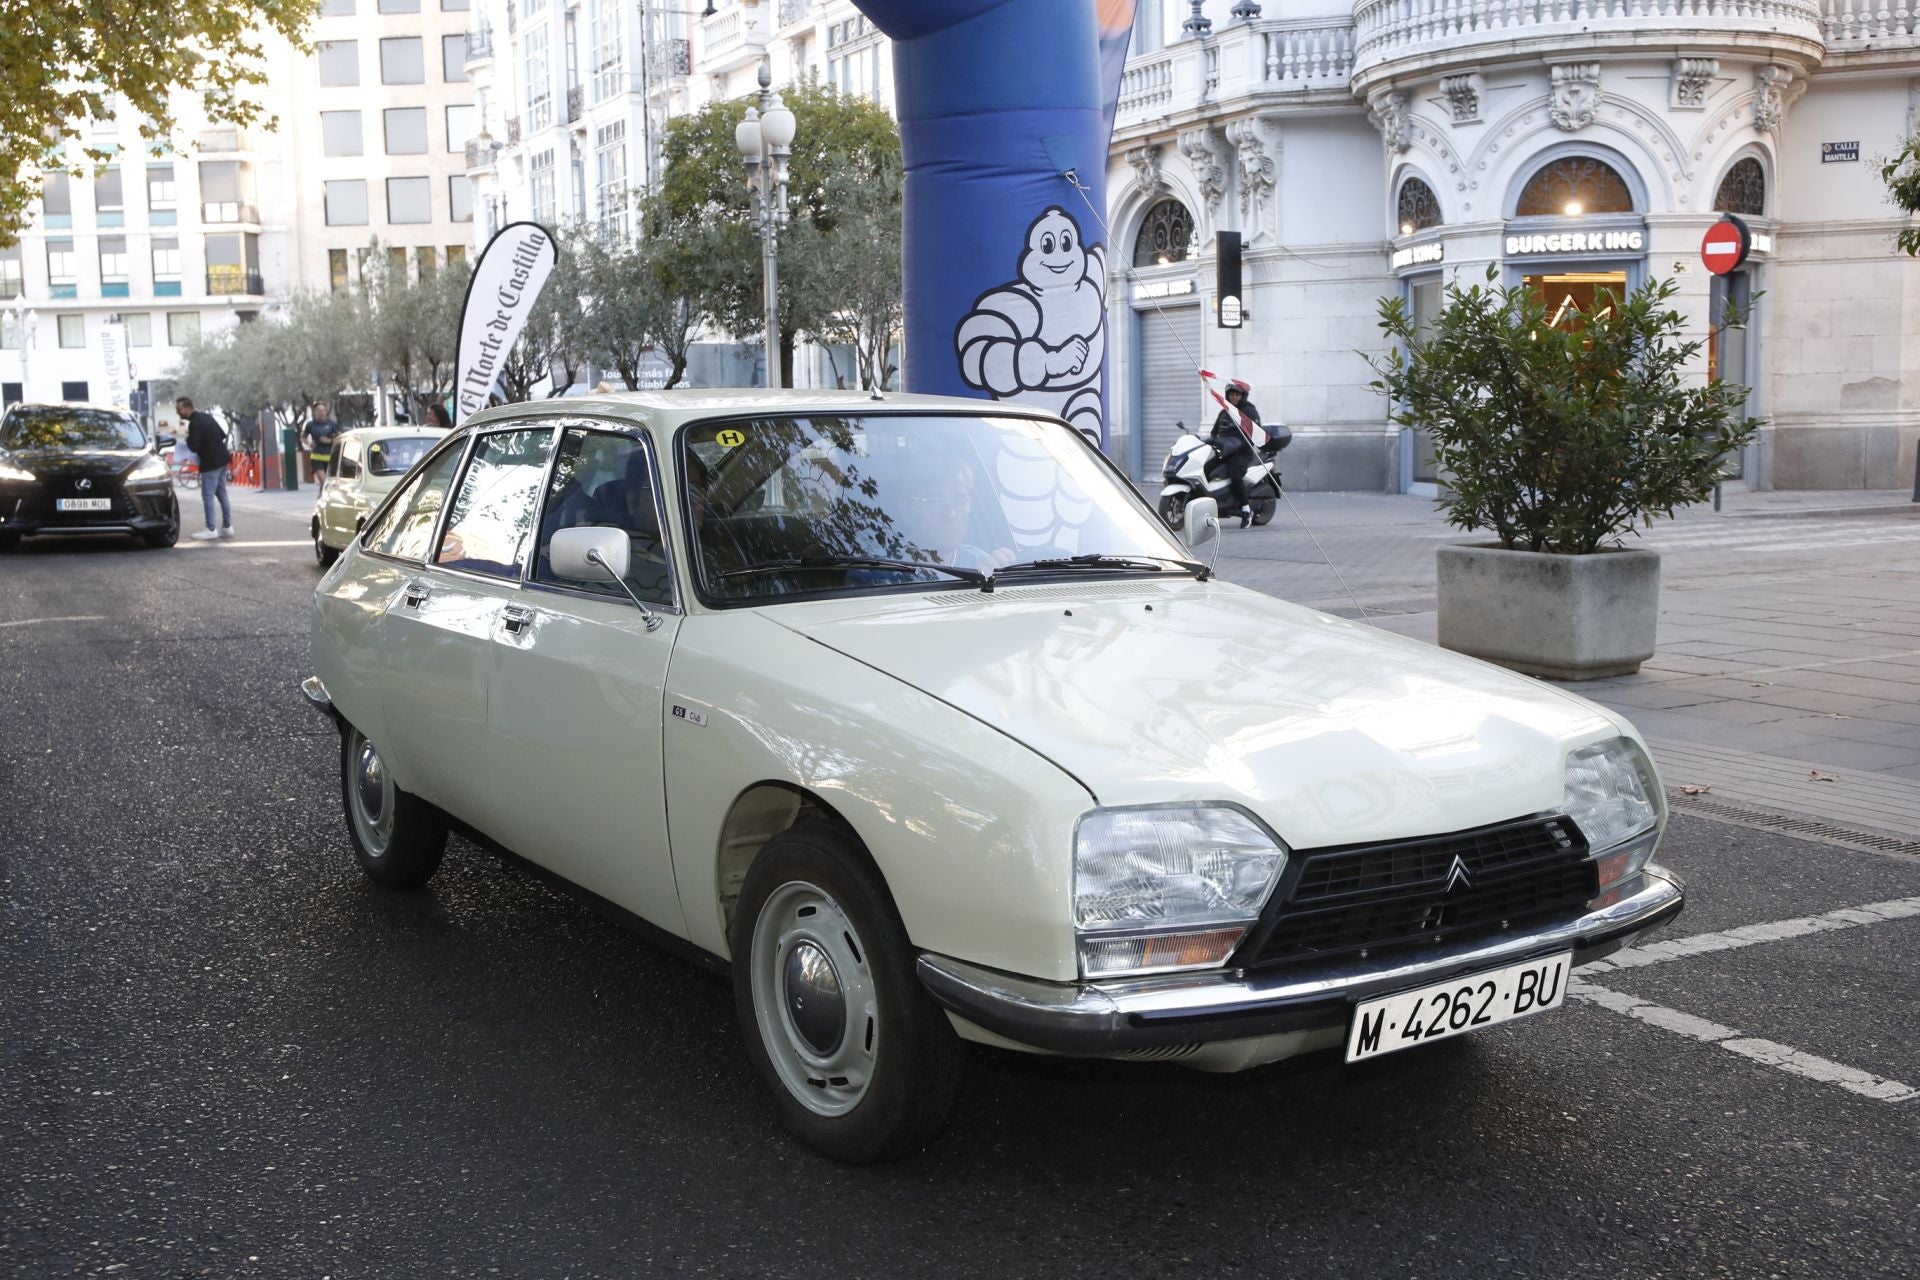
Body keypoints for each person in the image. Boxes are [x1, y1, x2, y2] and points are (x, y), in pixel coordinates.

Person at [178, 396, 234, 541]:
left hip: (211, 463)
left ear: (186, 408)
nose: (178, 412)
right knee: (222, 493)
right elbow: (222, 434)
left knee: (207, 496)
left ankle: (210, 529)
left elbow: (193, 446)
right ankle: (227, 527)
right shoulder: (206, 417)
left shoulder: (194, 424)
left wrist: (185, 436)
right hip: (222, 458)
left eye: (179, 409)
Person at [1211, 379, 1263, 528]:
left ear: (1242, 396)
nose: (1234, 397)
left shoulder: (1249, 411)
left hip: (1241, 454)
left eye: (1237, 395)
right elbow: (1215, 431)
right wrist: (1213, 441)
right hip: (1223, 452)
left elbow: (1255, 433)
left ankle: (1246, 510)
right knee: (1206, 469)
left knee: (1235, 475)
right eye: (1231, 394)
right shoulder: (1225, 411)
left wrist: (1238, 444)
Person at [302, 402, 339, 482]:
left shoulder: (332, 424)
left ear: (326, 412)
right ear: (315, 412)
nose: (321, 413)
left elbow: (340, 438)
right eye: (319, 410)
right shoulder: (310, 425)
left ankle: (321, 494)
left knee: (330, 484)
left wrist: (330, 441)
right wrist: (309, 444)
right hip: (317, 457)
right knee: (324, 482)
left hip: (331, 458)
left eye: (323, 410)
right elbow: (303, 437)